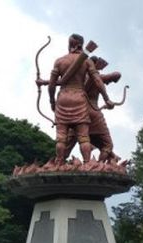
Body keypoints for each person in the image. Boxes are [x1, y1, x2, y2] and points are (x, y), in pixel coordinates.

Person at [47, 34, 114, 164]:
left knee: (61, 138)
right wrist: (107, 99)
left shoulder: (59, 61)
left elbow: (51, 85)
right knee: (84, 137)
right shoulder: (87, 61)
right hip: (79, 98)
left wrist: (52, 101)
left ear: (70, 44)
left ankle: (59, 162)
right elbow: (97, 80)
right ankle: (88, 163)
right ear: (81, 45)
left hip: (63, 99)